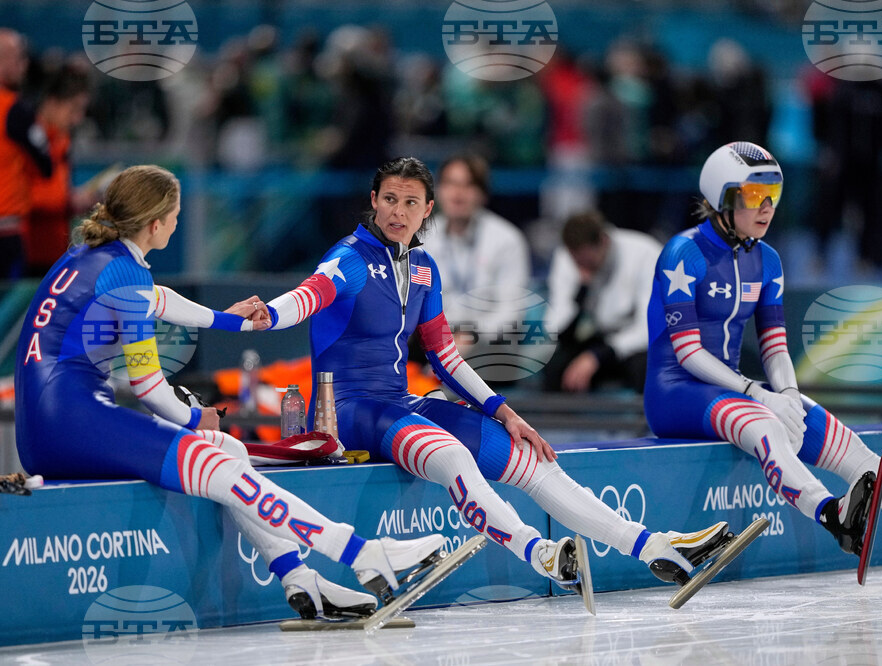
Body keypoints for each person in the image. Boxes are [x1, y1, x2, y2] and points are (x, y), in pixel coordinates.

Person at [256, 156, 735, 594]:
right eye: (388, 199)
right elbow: (305, 297)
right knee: (452, 455)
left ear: (427, 212)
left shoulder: (423, 268)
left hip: (402, 403)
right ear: (374, 202)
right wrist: (262, 315)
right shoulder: (349, 260)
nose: (396, 212)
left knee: (535, 458)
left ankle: (653, 546)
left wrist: (505, 411)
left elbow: (445, 356)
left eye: (410, 202)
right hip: (351, 411)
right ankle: (537, 551)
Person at [14, 165, 446, 621]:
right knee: (218, 464)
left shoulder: (89, 255)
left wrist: (231, 320)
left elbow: (160, 300)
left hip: (44, 430)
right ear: (157, 223)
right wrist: (194, 418)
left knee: (228, 448)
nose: (179, 223)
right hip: (76, 426)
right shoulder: (124, 276)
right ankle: (362, 554)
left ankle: (299, 578)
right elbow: (148, 387)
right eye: (177, 215)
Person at [644, 141, 882, 559]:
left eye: (773, 196)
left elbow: (775, 345)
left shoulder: (768, 260)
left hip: (728, 389)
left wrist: (790, 396)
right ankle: (832, 515)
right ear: (723, 199)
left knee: (844, 442)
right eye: (756, 196)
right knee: (767, 425)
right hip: (675, 392)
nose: (767, 208)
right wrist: (758, 394)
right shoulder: (683, 251)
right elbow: (687, 354)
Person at [418, 154, 530, 364]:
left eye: (468, 185)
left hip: (489, 344)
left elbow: (511, 312)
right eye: (450, 184)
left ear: (483, 194)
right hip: (434, 339)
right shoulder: (422, 238)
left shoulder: (506, 240)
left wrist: (473, 336)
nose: (457, 193)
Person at [543, 210, 660, 393]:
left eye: (588, 262)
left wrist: (598, 355)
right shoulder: (566, 257)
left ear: (604, 241)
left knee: (646, 368)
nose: (582, 267)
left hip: (635, 346)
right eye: (577, 262)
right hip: (598, 339)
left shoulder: (645, 252)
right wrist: (582, 291)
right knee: (555, 367)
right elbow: (556, 327)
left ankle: (646, 421)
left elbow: (649, 327)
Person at [25, 63, 96, 276]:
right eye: (74, 109)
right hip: (27, 254)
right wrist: (68, 200)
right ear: (52, 102)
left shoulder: (62, 141)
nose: (78, 119)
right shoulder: (24, 139)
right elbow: (19, 198)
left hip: (54, 253)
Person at [0, 28, 43, 278]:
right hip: (6, 232)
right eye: (19, 58)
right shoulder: (16, 110)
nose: (24, 66)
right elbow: (44, 165)